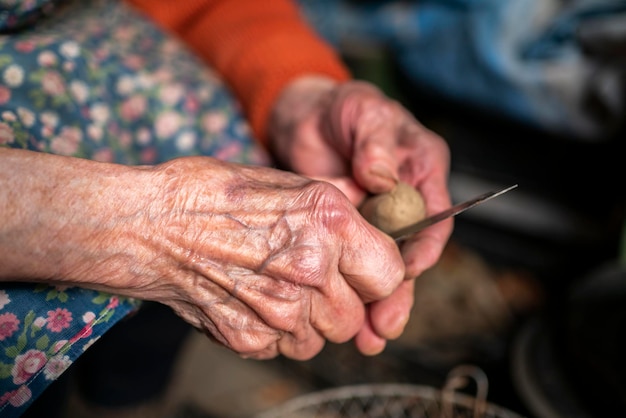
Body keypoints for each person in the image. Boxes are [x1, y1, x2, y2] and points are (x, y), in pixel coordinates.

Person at [0, 0, 452, 416]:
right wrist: (143, 227)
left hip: (120, 80)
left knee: (142, 357)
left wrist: (296, 90)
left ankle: (125, 397)